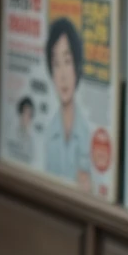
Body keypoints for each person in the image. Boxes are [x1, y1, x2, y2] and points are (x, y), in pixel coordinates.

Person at [43, 17, 92, 189]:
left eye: (67, 61)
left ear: (77, 65)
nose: (62, 75)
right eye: (56, 64)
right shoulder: (47, 134)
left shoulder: (90, 132)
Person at [5, 96, 35, 164]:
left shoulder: (31, 141)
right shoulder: (10, 133)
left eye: (30, 115)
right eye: (26, 113)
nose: (27, 118)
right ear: (20, 113)